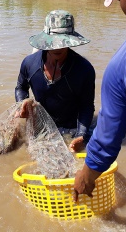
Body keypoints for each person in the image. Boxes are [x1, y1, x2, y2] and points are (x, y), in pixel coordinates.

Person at [73, 0, 126, 202]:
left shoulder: (118, 66)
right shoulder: (32, 65)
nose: (118, 2)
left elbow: (106, 132)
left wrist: (86, 177)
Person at [15, 10, 96, 152]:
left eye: (63, 41)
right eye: (54, 42)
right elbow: (21, 88)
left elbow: (87, 106)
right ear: (46, 39)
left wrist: (81, 135)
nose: (58, 46)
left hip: (71, 127)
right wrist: (22, 103)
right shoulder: (29, 63)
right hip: (41, 124)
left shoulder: (84, 70)